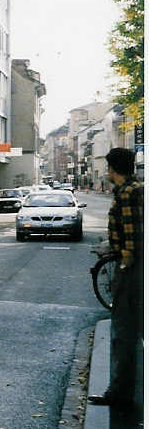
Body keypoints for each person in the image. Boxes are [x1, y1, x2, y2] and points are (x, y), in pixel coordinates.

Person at [88, 147, 144, 408]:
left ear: (113, 168)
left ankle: (120, 393)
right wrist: (111, 246)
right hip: (132, 265)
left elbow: (133, 235)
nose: (107, 172)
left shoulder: (129, 193)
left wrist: (123, 263)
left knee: (123, 331)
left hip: (132, 271)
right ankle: (122, 389)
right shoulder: (134, 188)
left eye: (108, 167)